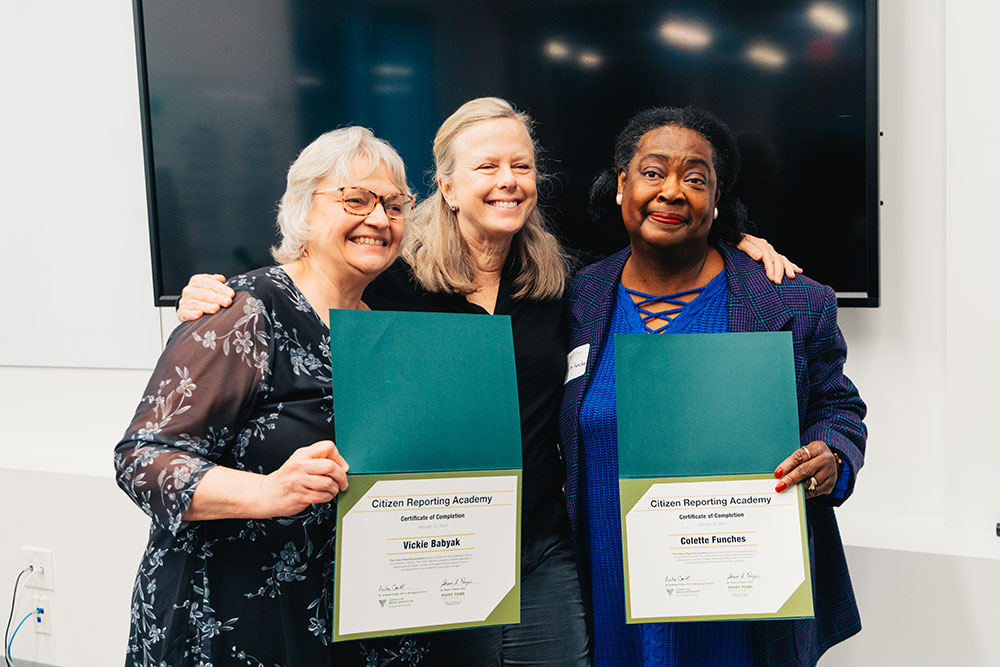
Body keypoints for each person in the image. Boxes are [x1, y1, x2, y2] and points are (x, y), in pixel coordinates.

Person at [175, 98, 801, 666]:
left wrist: (738, 242)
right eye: (486, 168)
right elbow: (311, 271)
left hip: (540, 555)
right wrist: (212, 293)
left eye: (521, 167)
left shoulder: (568, 283)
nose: (508, 182)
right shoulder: (389, 282)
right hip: (421, 553)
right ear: (445, 187)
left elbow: (662, 236)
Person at [558, 106, 867, 666]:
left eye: (696, 179)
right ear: (622, 186)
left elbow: (837, 407)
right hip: (607, 586)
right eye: (653, 173)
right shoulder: (579, 296)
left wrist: (832, 455)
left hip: (740, 603)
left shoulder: (791, 300)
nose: (672, 192)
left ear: (717, 199)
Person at [115, 126, 422, 666]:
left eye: (395, 205)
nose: (379, 218)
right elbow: (142, 462)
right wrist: (269, 492)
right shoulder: (241, 311)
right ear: (304, 209)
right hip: (232, 620)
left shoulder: (385, 332)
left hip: (346, 620)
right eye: (356, 199)